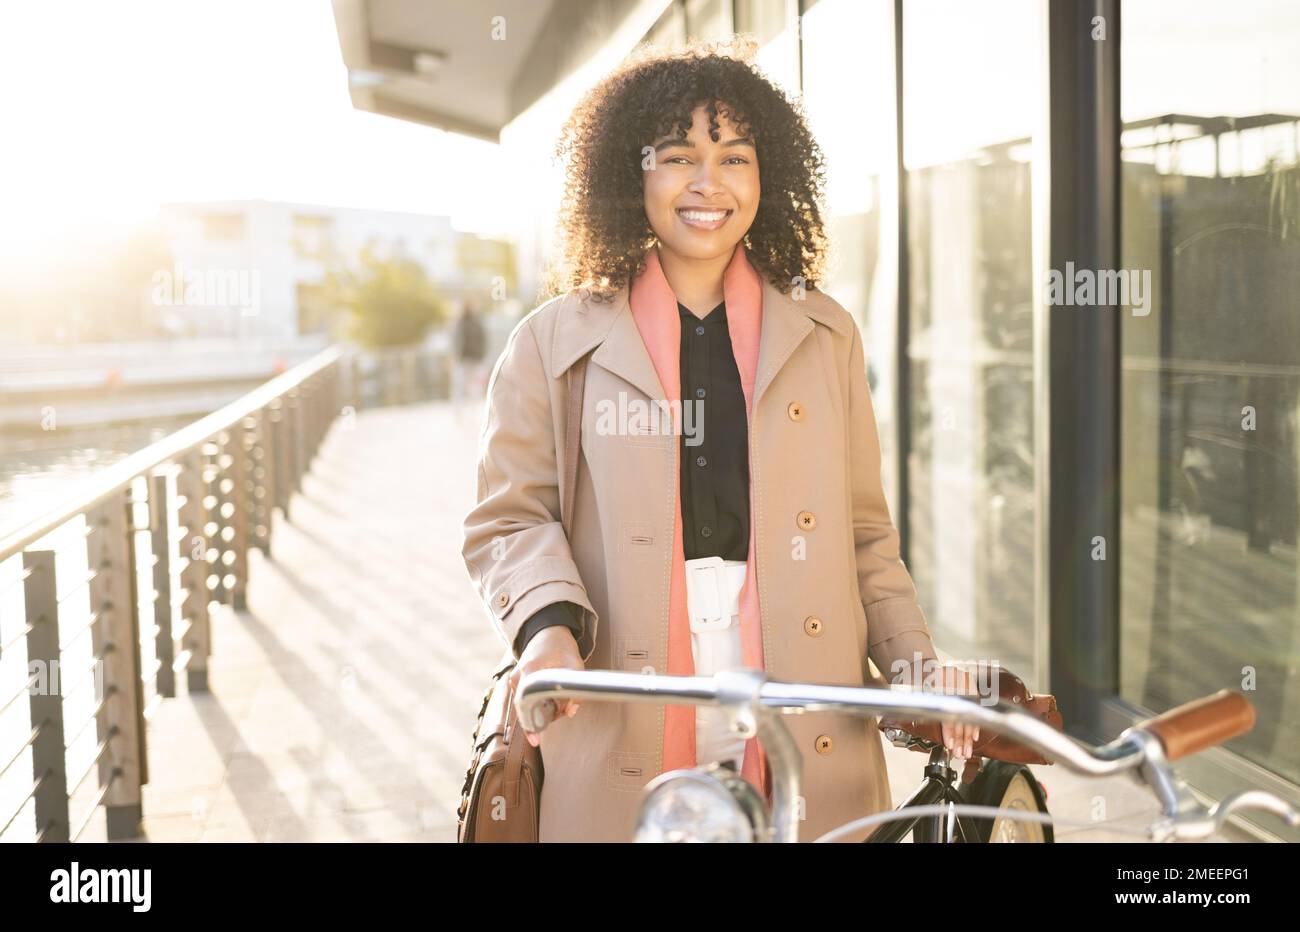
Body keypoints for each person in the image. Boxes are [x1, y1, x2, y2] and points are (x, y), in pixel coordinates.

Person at [461, 38, 978, 842]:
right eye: (678, 157)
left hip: (803, 680)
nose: (709, 184)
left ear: (766, 177)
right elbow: (510, 519)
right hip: (620, 690)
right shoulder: (550, 343)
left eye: (735, 157)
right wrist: (548, 629)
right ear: (631, 176)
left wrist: (913, 660)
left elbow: (864, 535)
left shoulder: (825, 332)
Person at [451, 297, 489, 403]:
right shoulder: (464, 322)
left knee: (469, 387)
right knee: (465, 387)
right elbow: (457, 341)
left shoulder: (472, 322)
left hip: (471, 359)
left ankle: (469, 411)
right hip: (467, 359)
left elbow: (482, 340)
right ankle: (465, 412)